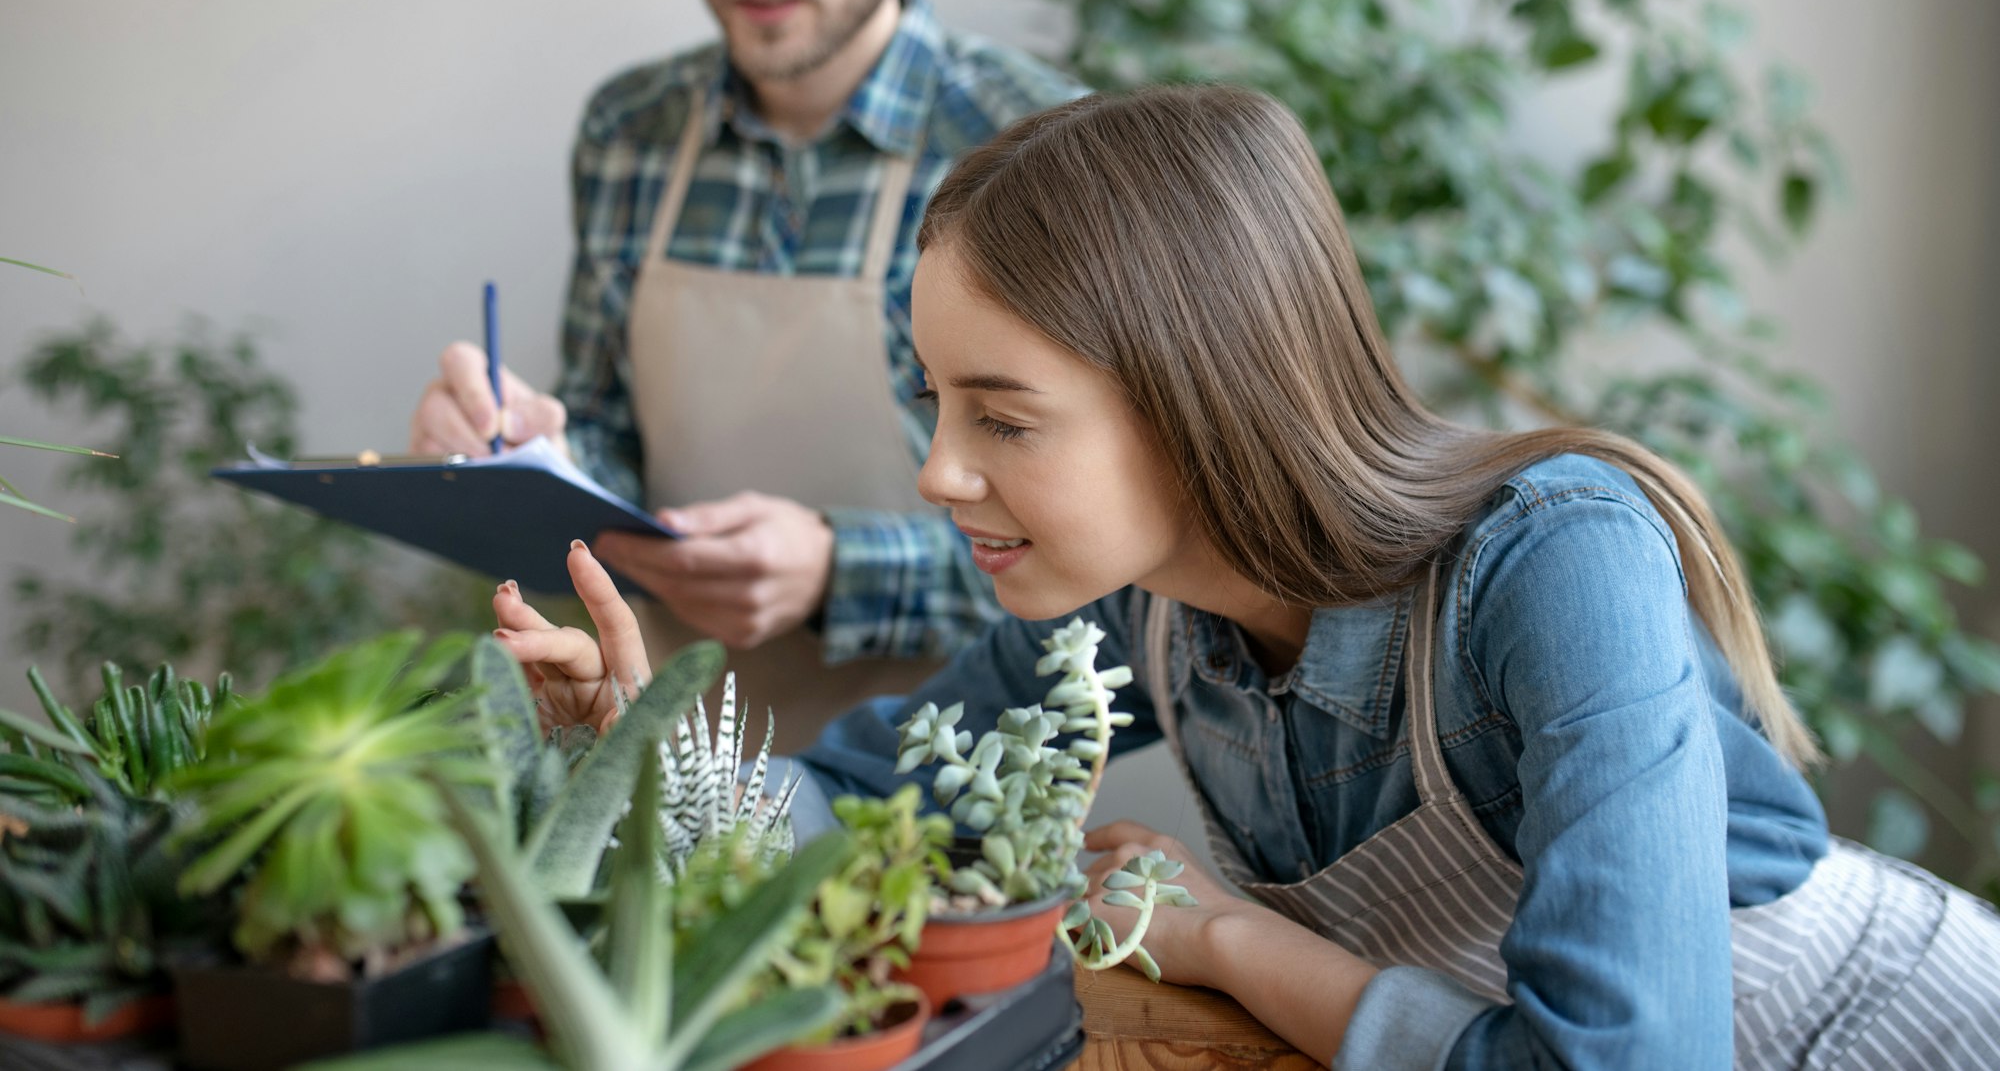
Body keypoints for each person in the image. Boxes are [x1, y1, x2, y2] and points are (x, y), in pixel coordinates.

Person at [490, 84, 2000, 1067]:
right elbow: (865, 810)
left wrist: (1238, 944)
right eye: (939, 406)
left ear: (1202, 398)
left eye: (1004, 417)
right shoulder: (1127, 614)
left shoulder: (1557, 562)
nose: (941, 474)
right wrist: (651, 751)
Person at [408, 0, 1080, 735]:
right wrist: (520, 462)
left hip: (967, 800)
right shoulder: (629, 133)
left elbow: (1108, 554)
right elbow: (608, 442)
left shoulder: (1040, 148)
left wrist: (834, 571)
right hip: (672, 780)